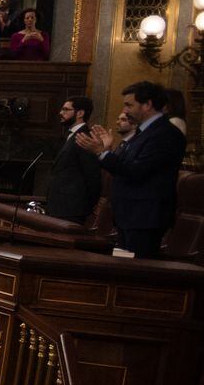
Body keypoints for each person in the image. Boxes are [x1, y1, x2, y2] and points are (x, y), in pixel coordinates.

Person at [75, 80, 186, 257]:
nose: (125, 110)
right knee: (122, 270)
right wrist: (106, 150)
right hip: (129, 217)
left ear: (147, 105)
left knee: (135, 275)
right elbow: (123, 167)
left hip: (145, 219)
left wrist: (101, 153)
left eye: (129, 105)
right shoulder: (143, 132)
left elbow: (136, 171)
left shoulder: (165, 133)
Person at [43, 94, 102, 224]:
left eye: (65, 109)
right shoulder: (72, 135)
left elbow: (92, 175)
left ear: (80, 113)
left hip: (71, 209)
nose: (60, 112)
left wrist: (88, 205)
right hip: (61, 206)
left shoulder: (84, 138)